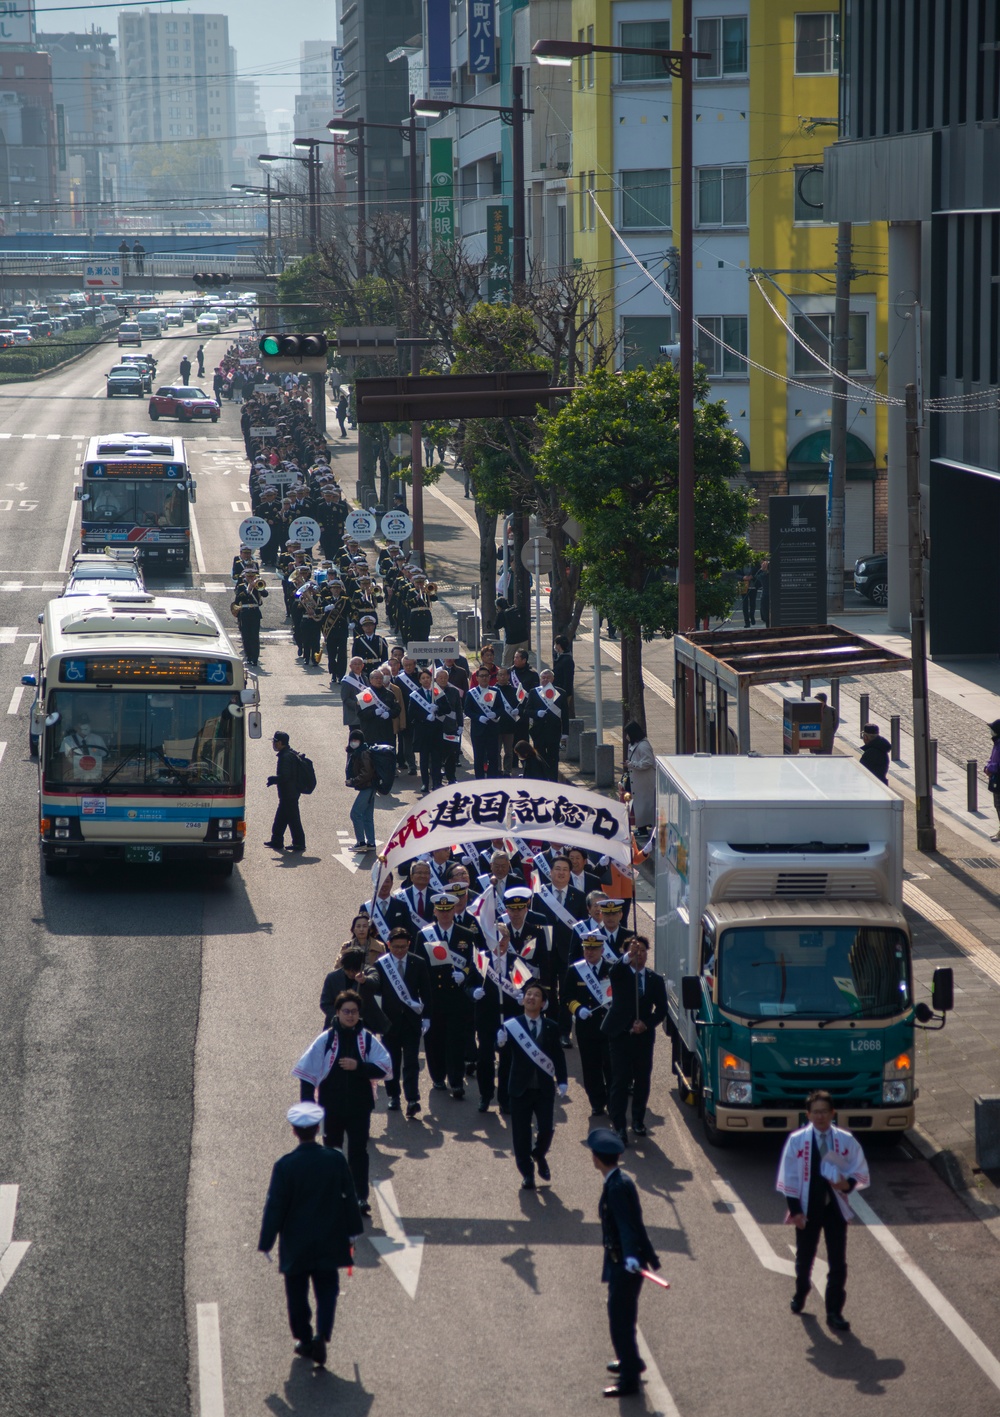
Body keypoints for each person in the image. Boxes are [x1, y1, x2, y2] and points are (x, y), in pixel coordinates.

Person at [257, 1101, 364, 1370]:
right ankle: (322, 1335)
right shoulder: (335, 1159)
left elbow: (275, 1206)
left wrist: (267, 1241)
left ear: (294, 1131)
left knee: (296, 1292)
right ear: (318, 1128)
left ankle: (304, 1339)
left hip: (296, 1242)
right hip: (329, 1237)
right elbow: (348, 1197)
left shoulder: (285, 1166)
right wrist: (353, 1231)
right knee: (328, 1289)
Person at [777, 1089, 870, 1331]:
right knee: (804, 1259)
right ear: (808, 1114)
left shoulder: (845, 1141)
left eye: (824, 1112)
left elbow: (857, 1170)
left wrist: (846, 1185)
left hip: (835, 1209)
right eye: (815, 1112)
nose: (820, 1117)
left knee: (838, 1262)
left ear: (833, 1113)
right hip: (808, 1209)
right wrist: (795, 1211)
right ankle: (801, 1290)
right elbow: (790, 1178)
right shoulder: (797, 1141)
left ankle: (834, 1311)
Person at [293, 989, 391, 1217]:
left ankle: (359, 1197)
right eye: (346, 1011)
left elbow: (385, 1067)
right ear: (337, 1012)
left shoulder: (366, 1038)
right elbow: (307, 1075)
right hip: (332, 1106)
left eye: (354, 1012)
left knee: (359, 1152)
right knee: (332, 1152)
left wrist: (359, 1067)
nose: (350, 1016)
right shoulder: (326, 1039)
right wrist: (308, 1110)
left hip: (360, 1107)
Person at [584, 1126, 661, 1398]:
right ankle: (631, 1360)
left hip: (624, 1263)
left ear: (597, 1158)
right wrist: (649, 1256)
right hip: (628, 1260)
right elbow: (637, 1223)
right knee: (623, 1316)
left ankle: (629, 1378)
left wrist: (630, 1257)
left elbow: (628, 1227)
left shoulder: (616, 1188)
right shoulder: (622, 1181)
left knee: (619, 1320)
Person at [602, 936, 667, 1147]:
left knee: (642, 1079)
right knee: (620, 1079)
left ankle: (638, 1120)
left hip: (643, 1037)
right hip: (620, 1034)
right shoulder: (620, 974)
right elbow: (614, 971)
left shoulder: (654, 980)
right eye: (635, 952)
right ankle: (619, 1124)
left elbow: (662, 1010)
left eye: (643, 952)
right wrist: (628, 954)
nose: (640, 956)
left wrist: (646, 1024)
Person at [506, 980, 568, 1189]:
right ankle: (527, 1173)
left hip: (543, 1089)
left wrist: (562, 1081)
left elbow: (558, 1057)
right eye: (528, 994)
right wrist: (499, 1042)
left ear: (543, 1004)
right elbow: (503, 1056)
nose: (531, 997)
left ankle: (539, 1154)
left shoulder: (551, 1027)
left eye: (536, 995)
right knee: (521, 1134)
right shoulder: (513, 1026)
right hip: (519, 1088)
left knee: (546, 1129)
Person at [368, 926, 430, 1117]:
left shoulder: (418, 963)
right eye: (395, 947)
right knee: (391, 1062)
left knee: (411, 1062)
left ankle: (412, 1099)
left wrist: (427, 1017)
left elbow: (426, 992)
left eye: (403, 947)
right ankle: (393, 1095)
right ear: (388, 945)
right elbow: (375, 993)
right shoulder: (381, 965)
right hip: (390, 1023)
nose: (399, 951)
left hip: (412, 1022)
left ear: (408, 945)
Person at [564, 932, 614, 1115]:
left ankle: (612, 1100)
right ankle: (597, 1102)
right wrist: (577, 1009)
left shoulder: (611, 969)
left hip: (607, 1027)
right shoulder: (575, 970)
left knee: (610, 1066)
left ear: (602, 949)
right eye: (586, 948)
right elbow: (567, 997)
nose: (590, 952)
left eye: (593, 949)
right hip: (586, 1028)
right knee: (590, 1068)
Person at [319, 943, 387, 1033]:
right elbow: (325, 1003)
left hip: (365, 1025)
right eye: (348, 970)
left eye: (354, 970)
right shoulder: (332, 977)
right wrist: (342, 1016)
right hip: (337, 1026)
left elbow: (375, 982)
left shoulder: (369, 971)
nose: (351, 973)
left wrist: (364, 980)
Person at [265, 730, 305, 852]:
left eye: (275, 742)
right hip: (288, 793)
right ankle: (277, 840)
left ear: (281, 743)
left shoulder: (285, 757)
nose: (274, 744)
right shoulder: (288, 754)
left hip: (289, 793)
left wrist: (273, 779)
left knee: (293, 820)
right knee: (281, 818)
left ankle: (299, 843)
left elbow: (285, 776)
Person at [345, 728, 378, 852]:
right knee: (367, 816)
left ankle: (361, 842)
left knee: (355, 813)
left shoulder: (363, 753)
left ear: (361, 741)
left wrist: (353, 781)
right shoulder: (359, 751)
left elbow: (366, 773)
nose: (353, 742)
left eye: (356, 740)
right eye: (352, 740)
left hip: (368, 787)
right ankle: (371, 843)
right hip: (370, 787)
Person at [527, 668, 563, 781]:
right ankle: (541, 780)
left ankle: (553, 780)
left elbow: (565, 714)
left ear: (553, 679)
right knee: (539, 758)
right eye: (543, 677)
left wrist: (565, 732)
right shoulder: (534, 692)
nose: (545, 680)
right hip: (539, 732)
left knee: (553, 758)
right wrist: (537, 713)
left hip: (554, 732)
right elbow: (527, 711)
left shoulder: (561, 693)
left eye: (548, 678)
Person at [467, 664, 501, 778]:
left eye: (486, 676)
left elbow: (501, 708)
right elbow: (467, 710)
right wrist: (478, 717)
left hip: (492, 729)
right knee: (479, 757)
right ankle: (479, 780)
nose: (484, 678)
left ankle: (492, 779)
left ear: (490, 677)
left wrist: (495, 713)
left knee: (493, 756)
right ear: (477, 678)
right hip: (478, 730)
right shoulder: (471, 693)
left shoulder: (495, 691)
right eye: (481, 676)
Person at [623, 721, 656, 836]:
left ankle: (644, 828)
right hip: (639, 782)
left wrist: (632, 764)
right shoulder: (635, 745)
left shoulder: (643, 746)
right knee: (640, 805)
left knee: (644, 805)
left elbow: (648, 762)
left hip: (644, 782)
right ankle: (642, 827)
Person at [552, 635, 575, 733]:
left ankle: (563, 737)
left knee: (562, 715)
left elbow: (568, 679)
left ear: (559, 645)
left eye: (555, 644)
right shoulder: (560, 657)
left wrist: (566, 694)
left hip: (563, 692)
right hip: (557, 691)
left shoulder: (567, 660)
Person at [985, 719, 1000, 842]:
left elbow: (997, 763)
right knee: (997, 805)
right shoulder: (996, 743)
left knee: (999, 805)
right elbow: (992, 758)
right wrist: (987, 767)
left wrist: (991, 768)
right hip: (996, 778)